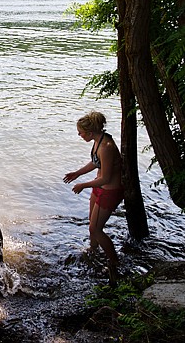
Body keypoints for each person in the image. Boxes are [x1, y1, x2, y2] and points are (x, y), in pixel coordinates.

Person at [63, 111, 124, 282]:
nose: (79, 135)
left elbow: (105, 177)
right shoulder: (98, 141)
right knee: (92, 224)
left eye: (80, 132)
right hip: (99, 188)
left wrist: (83, 185)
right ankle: (93, 252)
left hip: (109, 191)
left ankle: (114, 262)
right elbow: (95, 162)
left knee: (95, 229)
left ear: (89, 132)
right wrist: (77, 173)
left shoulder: (107, 147)